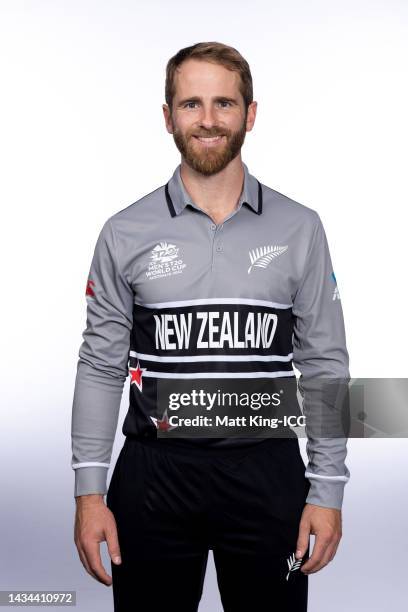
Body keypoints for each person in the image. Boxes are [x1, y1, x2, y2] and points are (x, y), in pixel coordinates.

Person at [72, 41, 351, 612]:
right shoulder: (124, 231)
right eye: (191, 104)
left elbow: (325, 364)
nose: (207, 120)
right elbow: (100, 366)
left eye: (224, 104)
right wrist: (88, 492)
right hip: (153, 475)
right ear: (168, 115)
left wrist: (327, 491)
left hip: (267, 471)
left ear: (249, 114)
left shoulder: (301, 227)